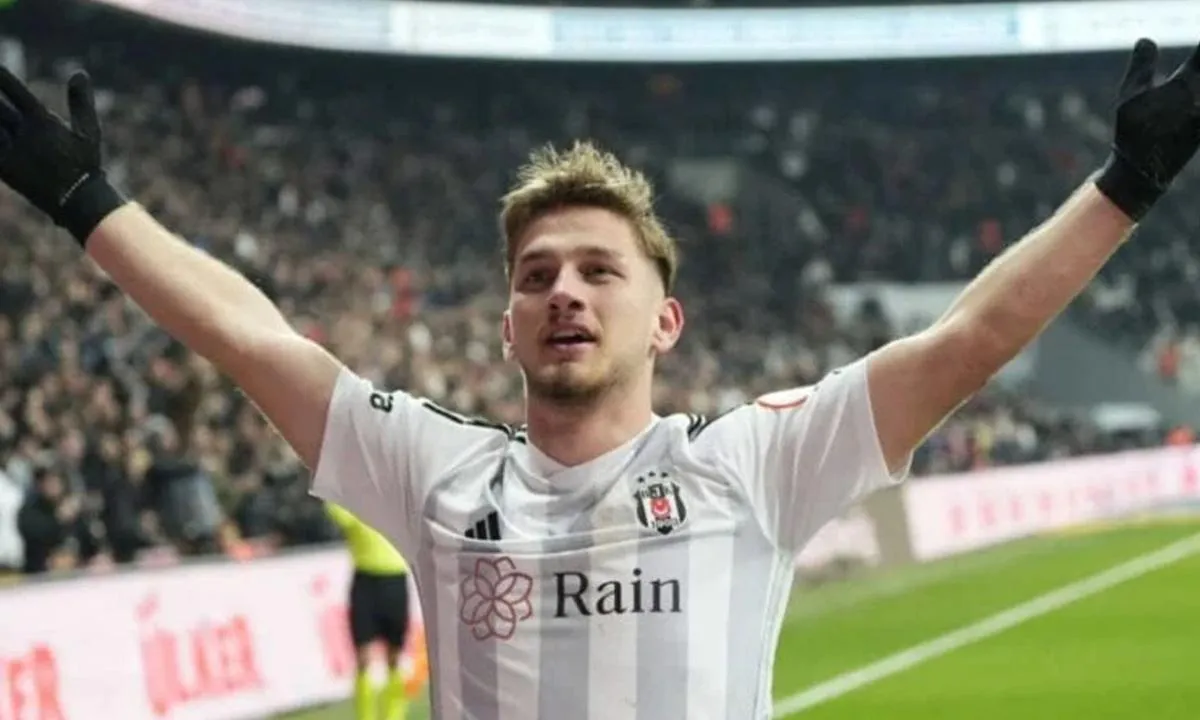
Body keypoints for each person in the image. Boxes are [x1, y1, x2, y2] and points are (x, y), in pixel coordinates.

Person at [0, 38, 1197, 718]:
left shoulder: (757, 463)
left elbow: (967, 341)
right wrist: (88, 203)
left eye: (597, 270)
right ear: (509, 327)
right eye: (536, 277)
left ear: (665, 319)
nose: (563, 291)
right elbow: (254, 341)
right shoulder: (433, 471)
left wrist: (1124, 187)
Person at [326, 501, 413, 720]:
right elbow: (333, 507)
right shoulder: (354, 504)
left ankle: (394, 716)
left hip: (395, 580)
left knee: (394, 655)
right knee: (364, 656)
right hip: (366, 581)